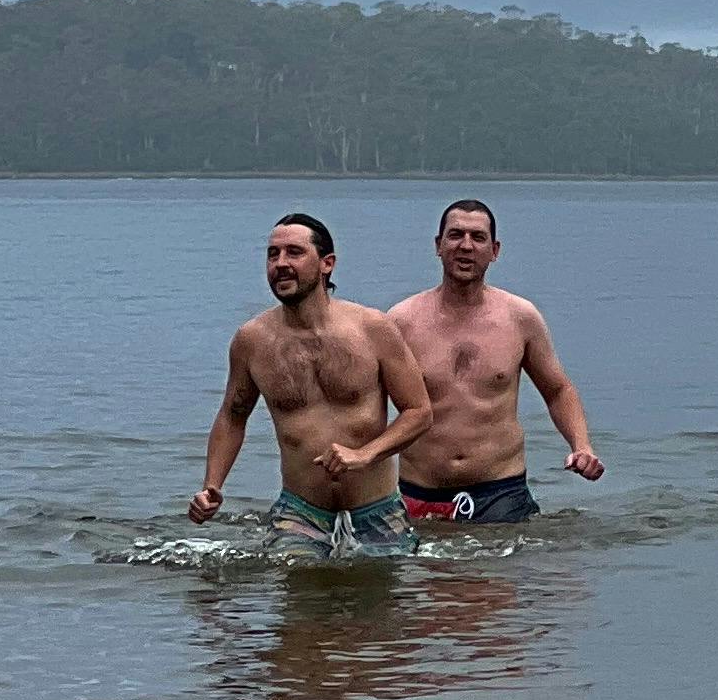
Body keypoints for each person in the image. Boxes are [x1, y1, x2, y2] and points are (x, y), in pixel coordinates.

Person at [188, 213, 434, 558]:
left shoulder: (372, 328)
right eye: (273, 255)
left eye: (294, 253)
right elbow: (233, 416)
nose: (280, 264)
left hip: (377, 510)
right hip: (300, 512)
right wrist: (211, 486)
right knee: (300, 604)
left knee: (380, 611)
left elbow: (420, 412)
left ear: (326, 264)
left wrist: (365, 454)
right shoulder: (252, 341)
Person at [372, 201, 604, 527]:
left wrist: (582, 446)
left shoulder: (520, 318)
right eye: (455, 235)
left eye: (478, 237)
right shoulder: (401, 321)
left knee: (500, 578)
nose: (466, 245)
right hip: (417, 493)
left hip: (500, 494)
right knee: (420, 579)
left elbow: (557, 389)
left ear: (494, 250)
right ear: (438, 246)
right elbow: (368, 404)